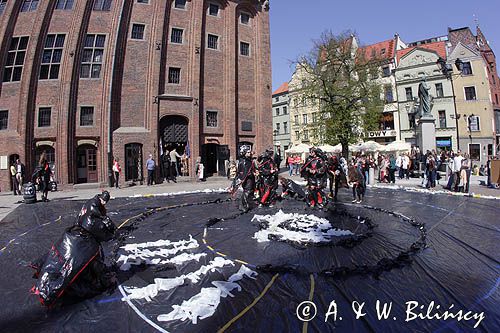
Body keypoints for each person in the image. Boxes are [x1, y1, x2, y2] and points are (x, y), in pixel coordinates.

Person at [31, 191, 117, 307]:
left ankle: (52, 278)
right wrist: (110, 232)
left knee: (64, 258)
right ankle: (52, 288)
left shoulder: (91, 205)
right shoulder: (93, 215)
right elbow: (98, 228)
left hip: (74, 235)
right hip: (81, 242)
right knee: (77, 262)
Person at [236, 147, 256, 212]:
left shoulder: (249, 160)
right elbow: (242, 171)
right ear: (244, 153)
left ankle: (248, 204)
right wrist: (241, 179)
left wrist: (254, 172)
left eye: (250, 152)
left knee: (250, 191)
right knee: (247, 191)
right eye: (248, 152)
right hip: (247, 179)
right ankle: (242, 206)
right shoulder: (243, 161)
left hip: (251, 178)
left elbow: (251, 169)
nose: (250, 153)